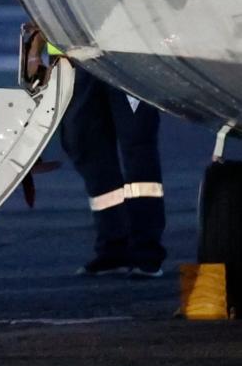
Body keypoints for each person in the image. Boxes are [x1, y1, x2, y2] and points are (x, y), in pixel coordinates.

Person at [49, 40, 166, 278]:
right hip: (76, 56)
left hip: (128, 55)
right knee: (85, 145)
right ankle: (114, 248)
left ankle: (145, 252)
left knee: (137, 147)